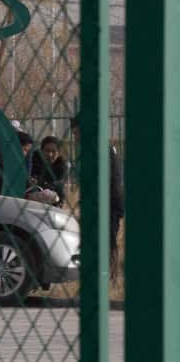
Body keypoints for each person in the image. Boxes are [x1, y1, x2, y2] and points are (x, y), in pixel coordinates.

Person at [70, 116, 125, 275]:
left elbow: (105, 179)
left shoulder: (99, 149)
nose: (75, 137)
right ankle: (103, 272)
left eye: (77, 133)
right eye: (74, 133)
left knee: (108, 239)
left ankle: (110, 274)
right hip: (103, 202)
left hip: (108, 202)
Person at [30, 136, 69, 207]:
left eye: (54, 151)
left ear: (59, 153)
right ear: (41, 151)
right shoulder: (32, 161)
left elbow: (59, 188)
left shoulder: (61, 167)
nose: (50, 155)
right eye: (47, 151)